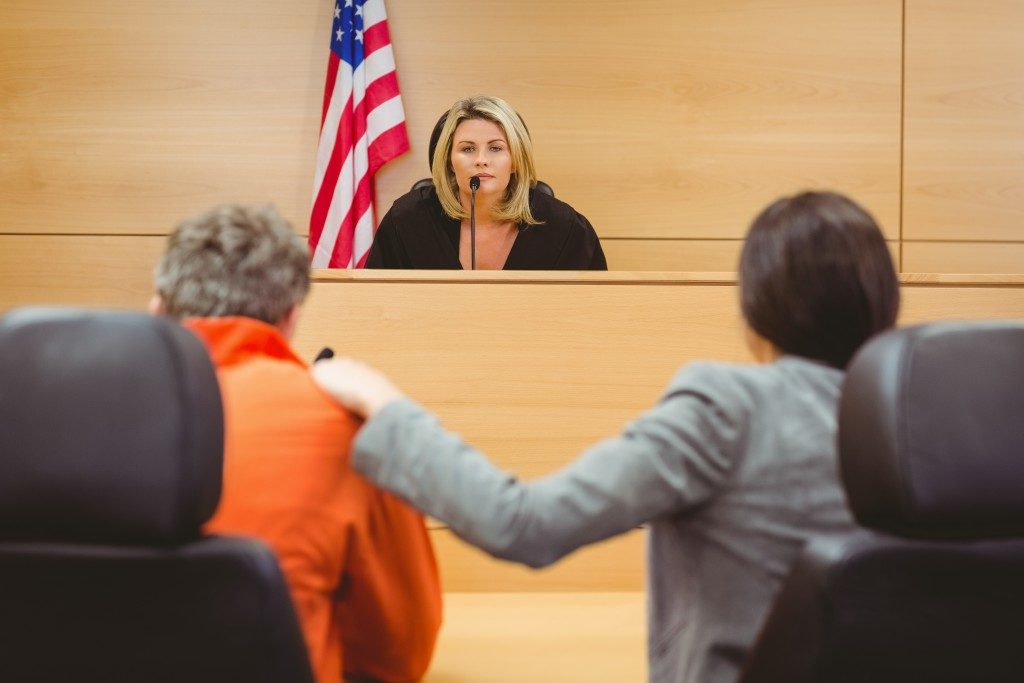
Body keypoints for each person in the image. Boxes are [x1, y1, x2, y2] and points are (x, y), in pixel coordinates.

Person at [311, 191, 901, 682]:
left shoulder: (727, 410)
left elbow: (522, 523)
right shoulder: (921, 419)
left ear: (754, 308)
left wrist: (383, 405)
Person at [150, 204, 441, 683]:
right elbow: (398, 650)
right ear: (290, 319)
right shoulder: (349, 427)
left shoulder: (55, 414)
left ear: (159, 307)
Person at [365, 94, 607, 270]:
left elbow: (596, 313)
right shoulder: (407, 221)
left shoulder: (566, 229)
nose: (481, 160)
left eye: (495, 148)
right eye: (468, 149)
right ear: (449, 161)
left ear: (515, 160)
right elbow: (373, 305)